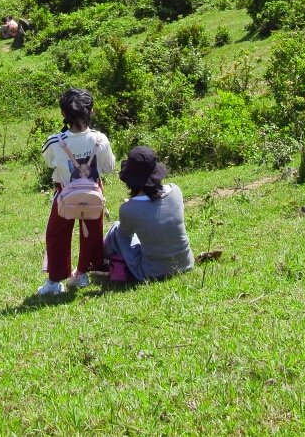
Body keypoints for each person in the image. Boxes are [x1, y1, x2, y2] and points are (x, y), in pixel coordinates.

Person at [38, 89, 116, 295]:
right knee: (92, 232)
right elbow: (108, 168)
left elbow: (49, 163)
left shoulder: (54, 141)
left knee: (57, 235)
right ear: (91, 110)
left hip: (65, 194)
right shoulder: (101, 139)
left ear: (63, 113)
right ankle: (82, 273)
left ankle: (55, 281)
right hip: (93, 192)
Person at [103, 146, 194, 284]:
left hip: (151, 272)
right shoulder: (176, 190)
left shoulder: (128, 209)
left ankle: (100, 257)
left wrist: (131, 206)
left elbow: (125, 235)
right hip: (185, 263)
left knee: (116, 228)